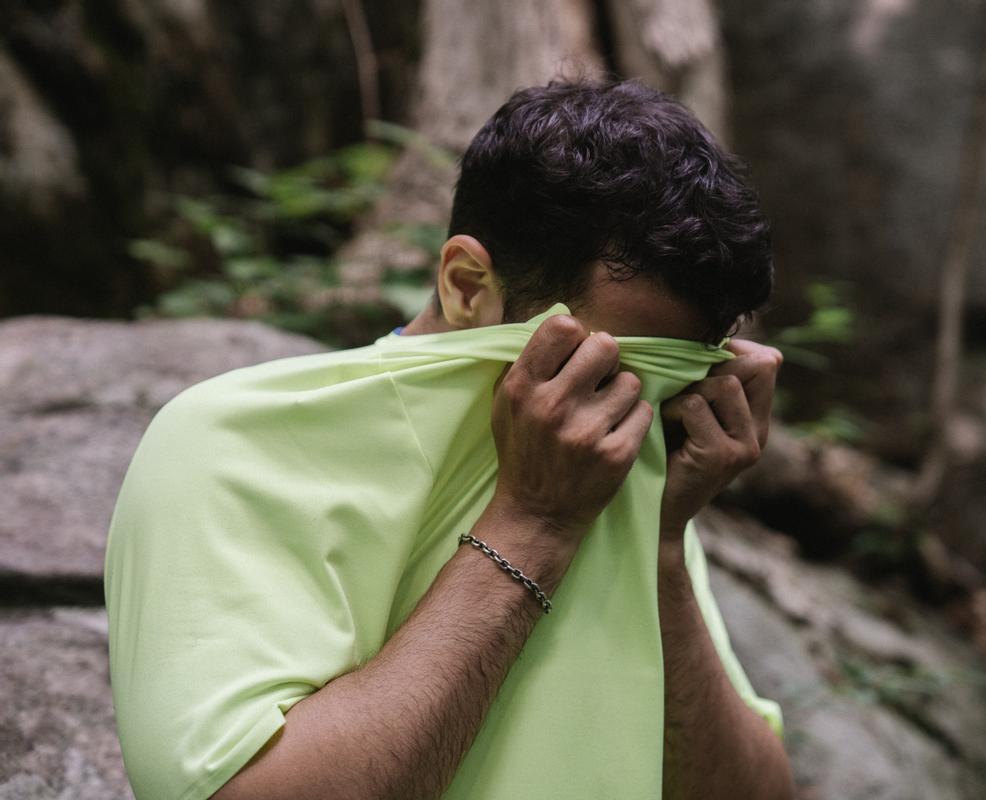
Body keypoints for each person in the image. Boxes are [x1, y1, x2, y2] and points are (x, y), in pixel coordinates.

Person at [105, 78, 791, 800]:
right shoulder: (227, 446)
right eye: (613, 368)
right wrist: (533, 524)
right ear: (467, 286)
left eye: (682, 375)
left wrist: (661, 551)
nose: (641, 410)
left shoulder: (619, 464)